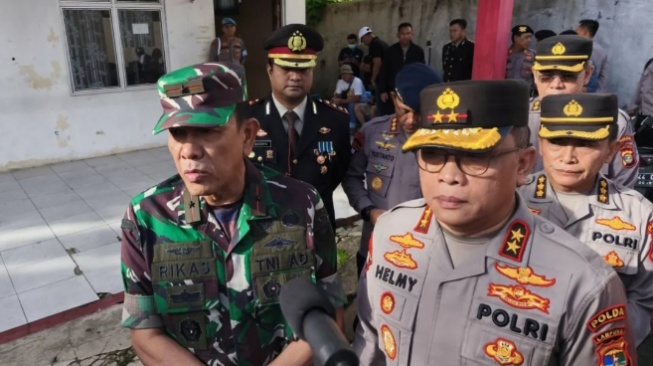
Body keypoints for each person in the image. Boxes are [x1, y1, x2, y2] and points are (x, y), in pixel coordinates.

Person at [354, 79, 635, 365]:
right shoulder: (392, 233)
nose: (449, 175)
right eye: (433, 154)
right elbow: (370, 345)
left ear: (523, 164)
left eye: (475, 156)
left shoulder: (582, 283)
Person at [120, 62, 346, 365]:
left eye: (207, 131)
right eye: (178, 132)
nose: (188, 150)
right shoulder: (146, 217)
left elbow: (329, 309)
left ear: (248, 135)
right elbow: (145, 331)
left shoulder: (302, 204)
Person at [518, 92, 653, 361]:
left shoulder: (639, 215)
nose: (568, 156)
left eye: (585, 143)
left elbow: (646, 301)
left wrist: (598, 350)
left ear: (610, 151)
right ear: (541, 144)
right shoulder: (511, 200)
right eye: (556, 142)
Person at [342, 63, 442, 278]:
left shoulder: (445, 140)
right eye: (404, 111)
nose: (411, 120)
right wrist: (369, 211)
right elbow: (351, 178)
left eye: (420, 113)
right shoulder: (372, 132)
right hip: (376, 245)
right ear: (394, 98)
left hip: (426, 251)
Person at [248, 24, 352, 229]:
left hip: (316, 229)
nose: (295, 76)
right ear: (270, 70)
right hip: (261, 230)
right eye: (286, 68)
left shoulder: (335, 120)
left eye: (303, 69)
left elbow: (338, 172)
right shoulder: (246, 118)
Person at [528, 35, 639, 188]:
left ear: (587, 74)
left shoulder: (612, 119)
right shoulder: (516, 117)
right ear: (534, 74)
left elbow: (622, 183)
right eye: (546, 76)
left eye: (568, 76)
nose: (556, 84)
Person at [377, 22, 425, 116]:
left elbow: (421, 71)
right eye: (403, 34)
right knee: (392, 117)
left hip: (411, 90)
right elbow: (384, 71)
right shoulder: (390, 51)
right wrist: (383, 90)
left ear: (412, 34)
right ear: (398, 35)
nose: (405, 36)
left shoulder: (418, 51)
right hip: (393, 91)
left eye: (408, 33)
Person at [359, 26, 390, 116]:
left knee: (381, 107)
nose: (364, 43)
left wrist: (373, 78)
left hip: (383, 79)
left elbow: (377, 63)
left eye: (362, 40)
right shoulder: (381, 43)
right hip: (387, 78)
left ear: (366, 36)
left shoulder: (374, 44)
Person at [577, 19, 608, 92]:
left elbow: (591, 74)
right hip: (597, 92)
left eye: (577, 30)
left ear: (584, 32)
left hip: (586, 91)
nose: (576, 33)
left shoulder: (585, 48)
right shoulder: (602, 50)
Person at [333, 64, 366, 131]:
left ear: (350, 74)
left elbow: (357, 98)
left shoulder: (357, 81)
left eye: (346, 74)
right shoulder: (340, 82)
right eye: (342, 74)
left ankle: (353, 125)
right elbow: (336, 95)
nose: (344, 76)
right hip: (347, 102)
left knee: (352, 105)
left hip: (362, 103)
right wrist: (335, 100)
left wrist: (340, 100)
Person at [506, 25, 536, 95]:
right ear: (516, 38)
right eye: (526, 37)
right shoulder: (504, 54)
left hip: (525, 94)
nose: (529, 40)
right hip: (506, 92)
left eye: (530, 37)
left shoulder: (533, 54)